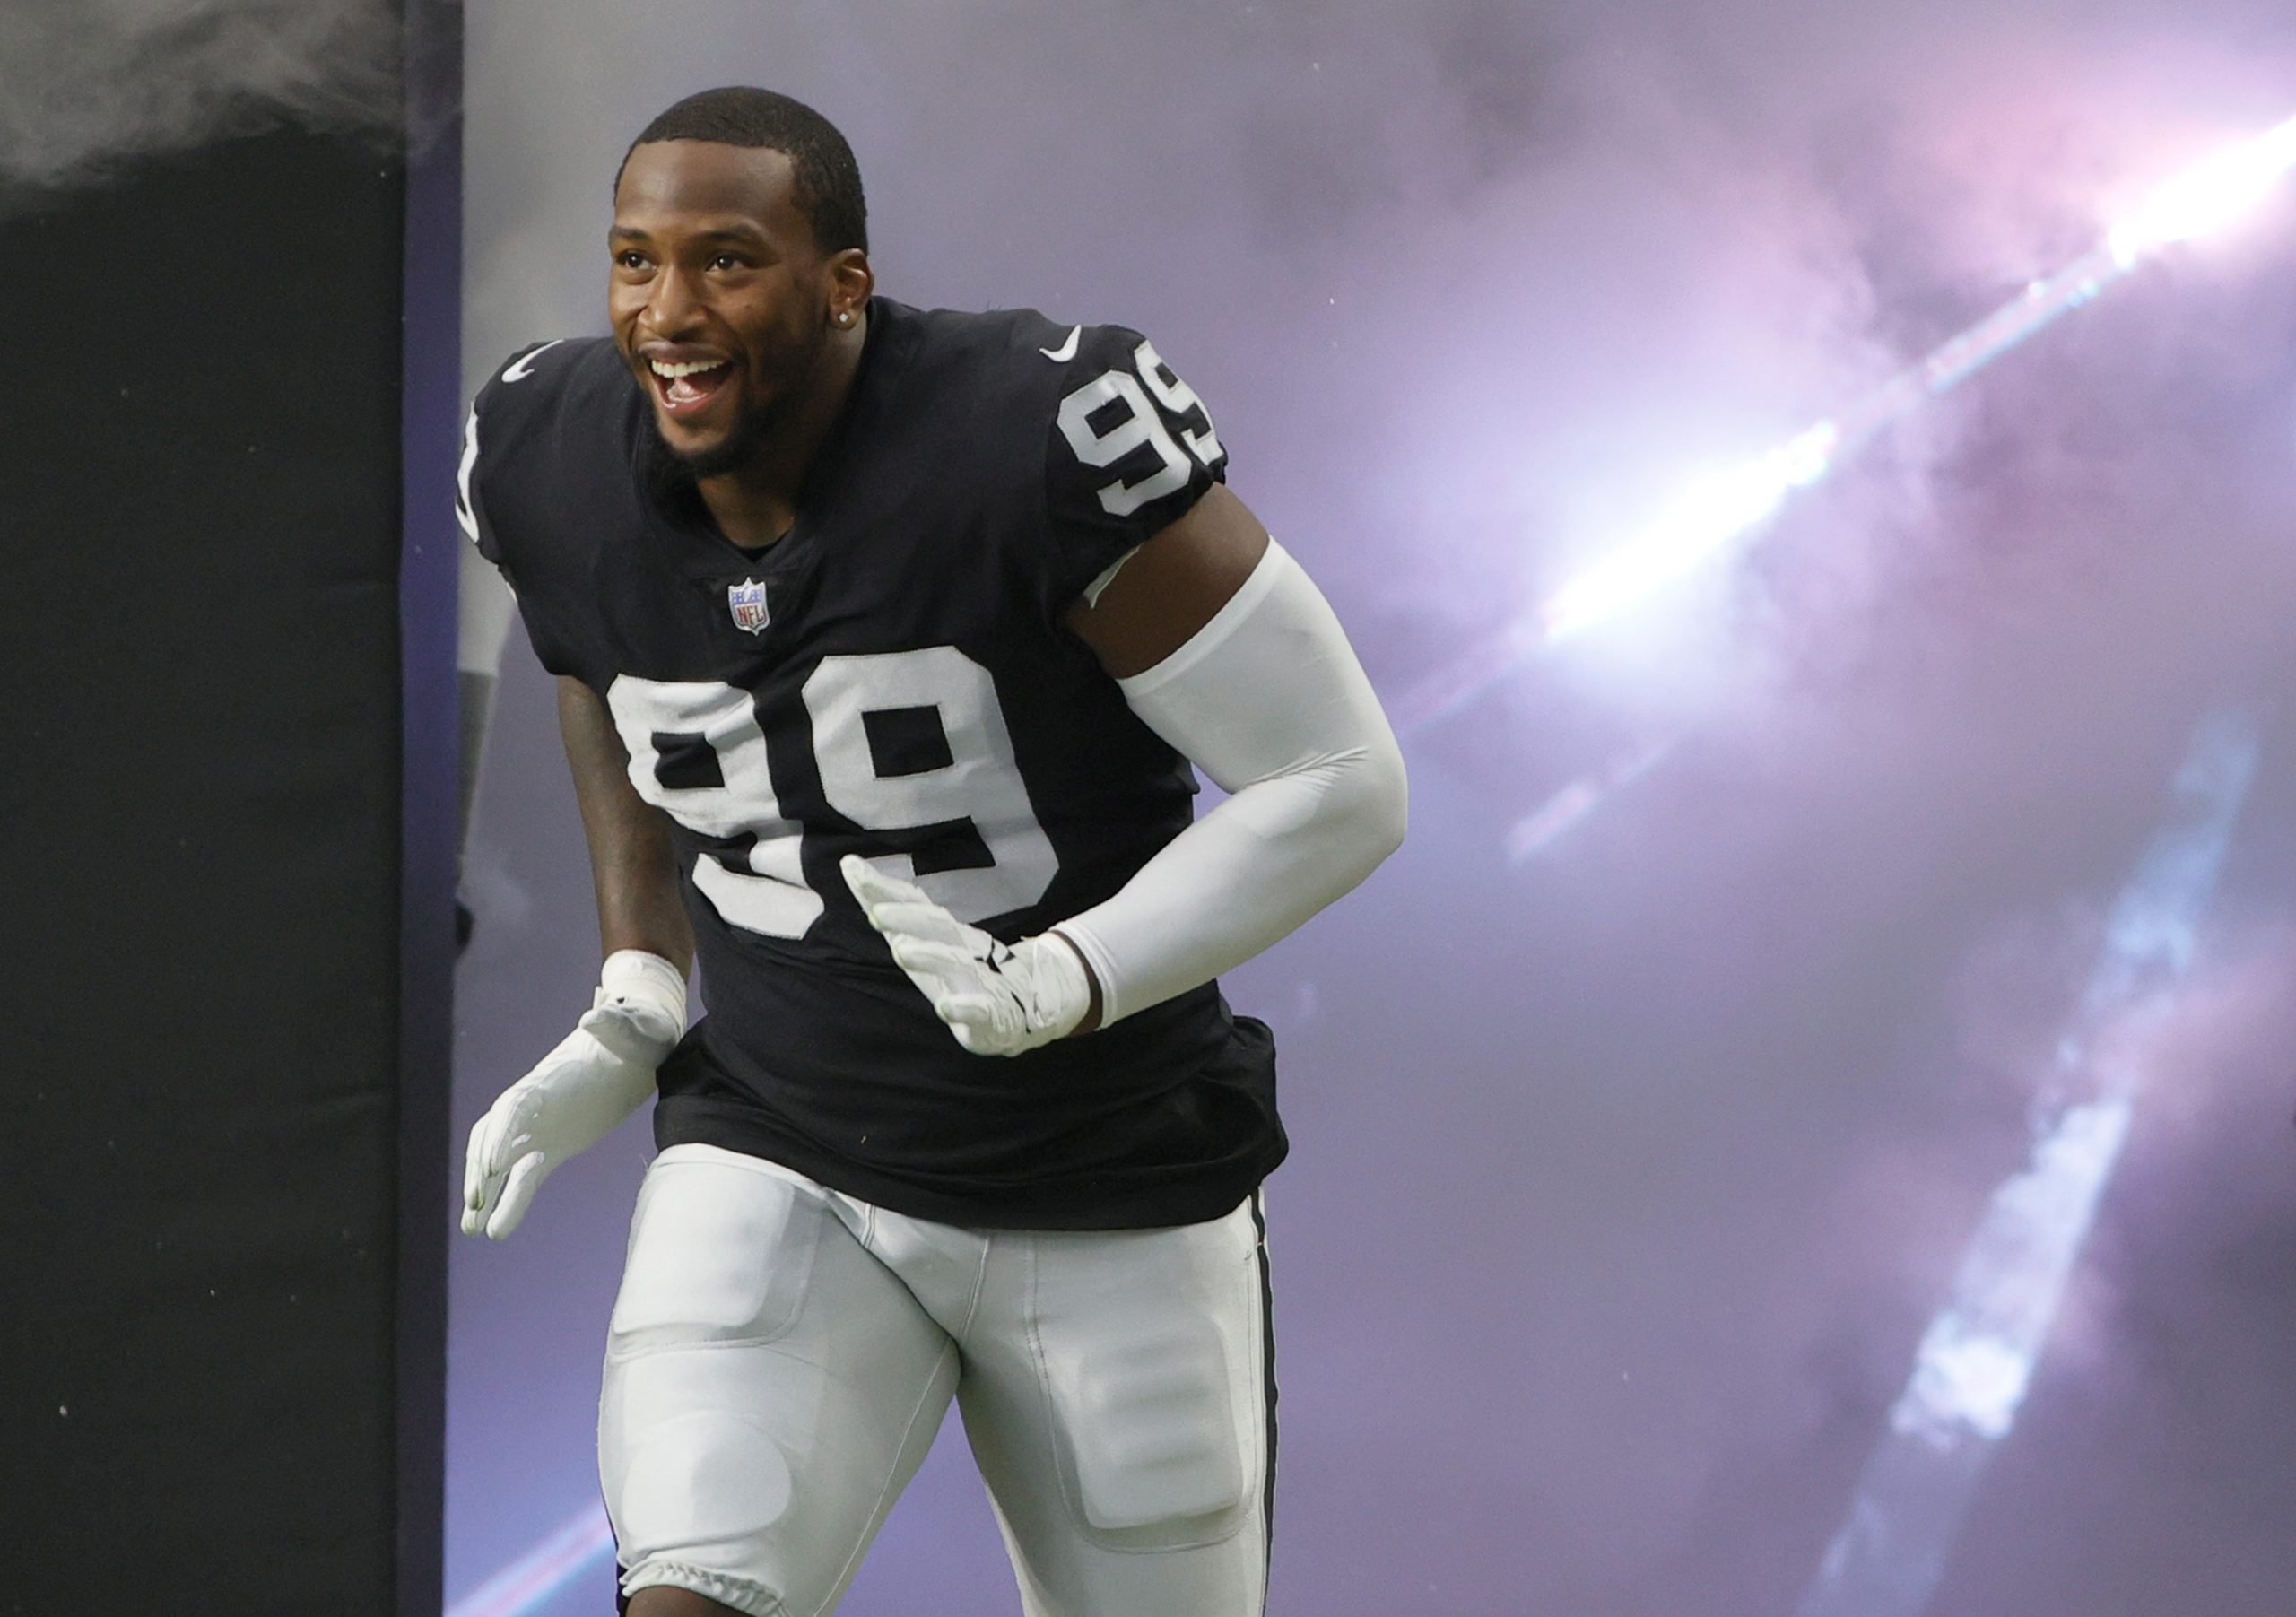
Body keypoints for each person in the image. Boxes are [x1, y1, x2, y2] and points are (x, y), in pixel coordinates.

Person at [455, 85, 1406, 1617]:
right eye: (635, 261)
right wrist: (638, 990)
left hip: (1108, 1176)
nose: (668, 312)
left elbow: (1340, 777)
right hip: (787, 1144)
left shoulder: (1033, 435)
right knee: (691, 1585)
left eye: (726, 262)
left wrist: (1067, 978)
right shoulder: (546, 450)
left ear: (846, 287)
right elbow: (605, 663)